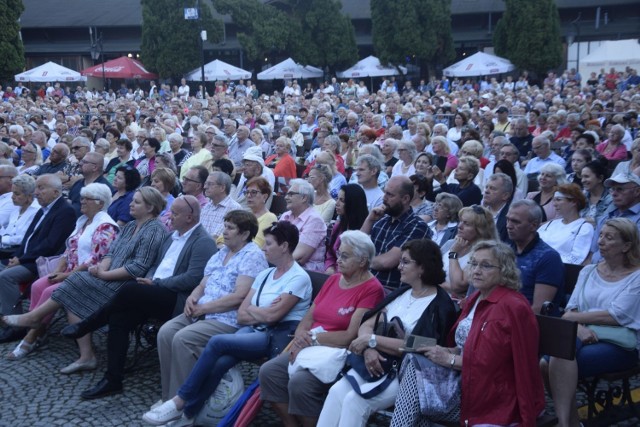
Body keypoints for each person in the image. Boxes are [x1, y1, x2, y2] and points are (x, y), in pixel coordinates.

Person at [142, 222, 312, 426]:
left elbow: (271, 318)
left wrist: (259, 311)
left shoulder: (298, 277)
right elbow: (242, 315)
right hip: (253, 330)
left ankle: (181, 401)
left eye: (268, 244)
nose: (263, 248)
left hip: (274, 337)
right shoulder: (266, 274)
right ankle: (188, 415)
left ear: (284, 246)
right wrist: (262, 311)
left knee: (216, 343)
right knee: (220, 362)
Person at [61, 195, 217, 399]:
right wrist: (150, 278)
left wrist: (157, 283)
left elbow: (193, 278)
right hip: (153, 291)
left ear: (190, 217)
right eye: (170, 212)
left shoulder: (203, 241)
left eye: (175, 214)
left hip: (177, 298)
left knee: (129, 289)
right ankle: (112, 379)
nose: (169, 217)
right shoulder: (171, 237)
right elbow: (155, 265)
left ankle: (87, 324)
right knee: (120, 317)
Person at [1, 186, 167, 361]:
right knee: (69, 289)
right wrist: (101, 268)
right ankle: (85, 356)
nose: (130, 204)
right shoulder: (131, 225)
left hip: (125, 286)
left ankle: (35, 320)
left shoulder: (153, 230)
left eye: (136, 202)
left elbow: (137, 267)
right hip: (108, 276)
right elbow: (110, 253)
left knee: (76, 281)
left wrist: (103, 274)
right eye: (132, 200)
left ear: (150, 207)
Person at [391, 240, 545, 427]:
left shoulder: (510, 306)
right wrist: (448, 351)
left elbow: (492, 364)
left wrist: (448, 359)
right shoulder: (475, 298)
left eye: (485, 265)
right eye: (473, 263)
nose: (476, 270)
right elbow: (464, 345)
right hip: (459, 381)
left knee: (414, 372)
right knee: (413, 362)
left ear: (504, 270)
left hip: (488, 393)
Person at [318, 239, 457, 427]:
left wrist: (373, 340)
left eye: (405, 262)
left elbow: (422, 345)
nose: (399, 267)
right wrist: (368, 347)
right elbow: (368, 321)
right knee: (335, 392)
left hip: (407, 373)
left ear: (422, 268)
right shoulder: (402, 292)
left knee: (355, 402)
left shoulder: (441, 305)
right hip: (374, 362)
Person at [259, 230, 385, 427]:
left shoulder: (372, 288)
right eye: (338, 253)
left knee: (300, 383)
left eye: (345, 256)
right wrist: (300, 336)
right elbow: (309, 317)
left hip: (337, 352)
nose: (338, 259)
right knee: (269, 372)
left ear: (362, 261)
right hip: (310, 345)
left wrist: (311, 340)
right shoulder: (334, 279)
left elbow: (349, 336)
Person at [155, 210, 268, 403]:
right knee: (165, 333)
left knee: (184, 339)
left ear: (245, 233)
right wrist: (193, 297)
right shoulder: (221, 252)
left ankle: (182, 403)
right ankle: (168, 397)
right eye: (225, 226)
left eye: (230, 228)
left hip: (228, 318)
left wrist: (204, 308)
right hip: (203, 311)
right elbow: (203, 283)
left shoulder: (252, 256)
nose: (224, 231)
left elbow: (240, 296)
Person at [6, 183, 119, 363]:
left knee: (50, 291)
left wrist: (66, 275)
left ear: (99, 203)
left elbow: (96, 259)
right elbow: (68, 250)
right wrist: (58, 270)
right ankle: (37, 329)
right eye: (81, 198)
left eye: (86, 199)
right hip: (69, 271)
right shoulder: (83, 221)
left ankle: (30, 337)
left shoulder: (105, 226)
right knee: (38, 285)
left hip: (87, 275)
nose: (81, 202)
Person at [547, 218, 640, 427]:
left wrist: (574, 320)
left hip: (620, 343)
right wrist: (578, 328)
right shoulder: (589, 271)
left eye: (609, 238)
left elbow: (616, 316)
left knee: (557, 358)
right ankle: (569, 422)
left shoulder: (637, 277)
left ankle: (565, 423)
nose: (600, 242)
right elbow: (572, 307)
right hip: (583, 334)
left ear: (626, 246)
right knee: (551, 358)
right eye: (600, 235)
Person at [0, 174, 76, 343]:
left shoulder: (65, 211)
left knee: (5, 277)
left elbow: (50, 244)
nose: (36, 192)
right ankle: (5, 315)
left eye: (41, 188)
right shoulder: (45, 209)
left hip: (42, 262)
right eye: (36, 188)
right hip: (28, 258)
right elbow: (29, 238)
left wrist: (22, 259)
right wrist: (17, 256)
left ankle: (15, 326)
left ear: (56, 192)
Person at [361, 176, 431, 291]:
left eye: (390, 195)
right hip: (365, 284)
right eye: (385, 193)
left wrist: (361, 260)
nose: (384, 198)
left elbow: (387, 262)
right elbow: (357, 247)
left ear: (405, 199)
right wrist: (369, 220)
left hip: (389, 290)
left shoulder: (417, 226)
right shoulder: (380, 221)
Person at [506, 199, 565, 314]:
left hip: (524, 322)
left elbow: (539, 309)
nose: (509, 226)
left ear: (533, 225)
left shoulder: (548, 258)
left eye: (516, 222)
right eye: (507, 219)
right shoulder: (505, 250)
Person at [441, 205, 499, 298]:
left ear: (480, 230)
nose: (459, 226)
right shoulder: (450, 243)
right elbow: (427, 271)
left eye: (466, 224)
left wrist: (453, 254)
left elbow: (457, 286)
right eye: (460, 221)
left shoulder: (483, 254)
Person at [588, 172, 640, 264]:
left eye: (620, 189)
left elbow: (635, 256)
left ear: (637, 191)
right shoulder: (605, 218)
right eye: (612, 189)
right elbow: (592, 252)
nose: (614, 194)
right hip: (596, 271)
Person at [537, 184, 594, 264]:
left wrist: (547, 263)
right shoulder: (549, 224)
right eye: (554, 200)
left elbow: (576, 258)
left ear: (574, 202)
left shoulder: (584, 227)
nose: (554, 204)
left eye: (559, 200)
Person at [280, 179, 327, 271]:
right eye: (287, 194)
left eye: (291, 194)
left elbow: (299, 257)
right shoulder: (285, 216)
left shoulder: (315, 220)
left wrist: (272, 261)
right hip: (282, 265)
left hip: (306, 272)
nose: (286, 197)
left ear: (304, 198)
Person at [325, 184, 369, 274]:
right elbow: (330, 254)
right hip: (331, 273)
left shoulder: (365, 230)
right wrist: (329, 267)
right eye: (337, 198)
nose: (336, 203)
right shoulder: (338, 226)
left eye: (342, 200)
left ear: (353, 203)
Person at [0, 175, 40, 254]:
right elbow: (7, 231)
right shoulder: (16, 209)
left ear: (29, 196)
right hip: (4, 249)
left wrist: (2, 239)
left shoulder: (37, 211)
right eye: (12, 193)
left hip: (18, 253)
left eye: (17, 194)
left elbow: (25, 238)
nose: (12, 197)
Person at [200, 171, 242, 243]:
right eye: (205, 183)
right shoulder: (206, 207)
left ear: (222, 188)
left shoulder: (235, 209)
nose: (205, 187)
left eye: (210, 184)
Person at [244, 176, 277, 248]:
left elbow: (256, 244)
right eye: (247, 192)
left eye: (253, 192)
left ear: (264, 197)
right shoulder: (244, 215)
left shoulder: (269, 217)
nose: (249, 195)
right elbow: (222, 238)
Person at [482, 172, 514, 242]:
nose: (486, 191)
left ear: (505, 195)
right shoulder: (478, 212)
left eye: (492, 188)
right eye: (486, 187)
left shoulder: (512, 217)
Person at [580, 160, 612, 226]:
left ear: (600, 178)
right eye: (582, 177)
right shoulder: (581, 197)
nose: (583, 180)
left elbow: (607, 223)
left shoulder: (611, 199)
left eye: (586, 176)